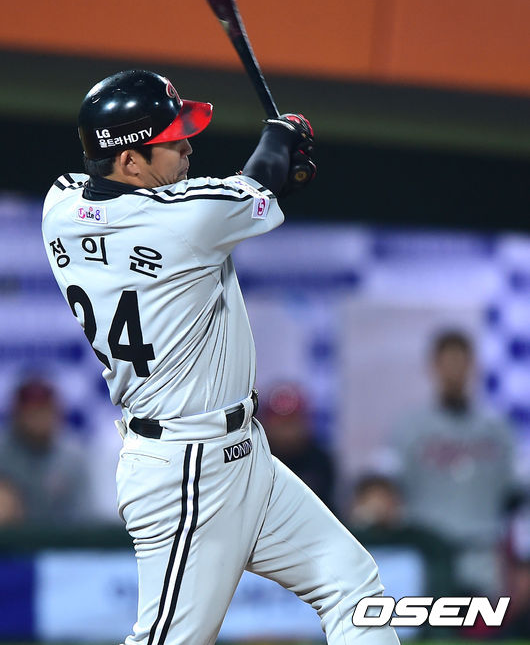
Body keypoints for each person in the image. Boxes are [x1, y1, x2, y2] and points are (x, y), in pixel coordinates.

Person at [42, 69, 398, 645]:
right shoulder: (184, 219)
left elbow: (238, 195)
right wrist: (282, 136)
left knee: (350, 583)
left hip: (241, 453)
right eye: (171, 140)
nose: (188, 147)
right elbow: (256, 181)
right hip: (187, 465)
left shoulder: (60, 204)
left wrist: (274, 171)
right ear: (129, 162)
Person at [390, 329, 516, 597]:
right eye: (447, 362)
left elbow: (517, 487)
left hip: (480, 552)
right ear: (434, 366)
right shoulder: (410, 427)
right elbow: (388, 484)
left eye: (460, 362)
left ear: (472, 366)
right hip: (426, 552)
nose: (454, 371)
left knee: (481, 621)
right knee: (429, 622)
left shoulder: (497, 429)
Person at [0, 377, 89, 523]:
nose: (39, 419)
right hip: (11, 535)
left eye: (44, 411)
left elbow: (85, 516)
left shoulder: (72, 457)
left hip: (61, 535)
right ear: (16, 415)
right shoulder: (3, 453)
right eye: (31, 412)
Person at [261, 381, 336, 509]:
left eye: (291, 422)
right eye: (280, 423)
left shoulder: (320, 461)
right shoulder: (256, 459)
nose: (286, 431)